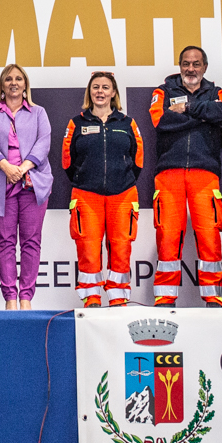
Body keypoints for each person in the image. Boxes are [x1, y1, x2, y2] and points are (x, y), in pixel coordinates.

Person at [149, 46, 222, 307]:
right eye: (186, 63)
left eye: (196, 64)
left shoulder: (217, 93)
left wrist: (187, 107)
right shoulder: (162, 92)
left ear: (204, 67)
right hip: (169, 173)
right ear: (180, 65)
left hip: (205, 173)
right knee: (168, 235)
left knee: (209, 234)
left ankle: (212, 296)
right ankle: (165, 296)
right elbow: (161, 121)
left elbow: (221, 115)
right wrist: (202, 116)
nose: (191, 69)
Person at [62, 71, 143, 307]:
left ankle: (118, 298)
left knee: (121, 247)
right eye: (96, 87)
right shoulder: (77, 123)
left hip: (123, 194)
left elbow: (138, 159)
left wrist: (123, 179)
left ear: (113, 92)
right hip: (86, 194)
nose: (100, 92)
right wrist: (85, 178)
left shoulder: (127, 123)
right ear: (89, 92)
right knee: (87, 246)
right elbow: (67, 160)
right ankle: (92, 298)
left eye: (105, 87)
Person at [0, 65, 52, 309]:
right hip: (1, 184)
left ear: (25, 84)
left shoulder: (38, 112)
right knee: (5, 242)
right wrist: (7, 167)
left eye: (19, 79)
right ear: (2, 85)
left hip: (32, 184)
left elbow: (44, 143)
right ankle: (10, 298)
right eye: (8, 79)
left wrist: (23, 168)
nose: (14, 83)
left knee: (31, 242)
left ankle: (26, 298)